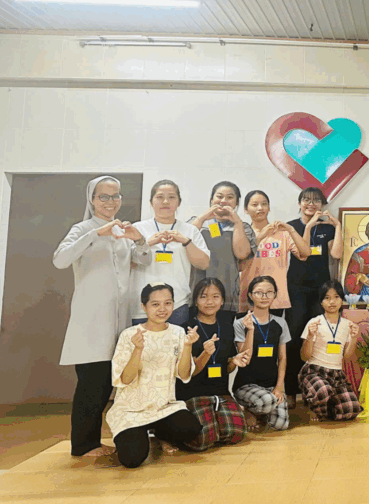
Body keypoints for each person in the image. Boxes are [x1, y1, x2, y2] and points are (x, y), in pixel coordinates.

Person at [53, 175, 150, 457]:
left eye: (115, 196)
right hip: (91, 323)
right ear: (92, 200)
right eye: (104, 196)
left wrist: (139, 239)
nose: (110, 202)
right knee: (90, 386)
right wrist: (96, 234)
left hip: (118, 322)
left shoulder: (122, 232)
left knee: (106, 385)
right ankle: (83, 445)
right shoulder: (82, 229)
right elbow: (60, 259)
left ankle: (93, 442)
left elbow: (143, 259)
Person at [107, 283, 202, 468]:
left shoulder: (178, 332)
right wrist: (138, 349)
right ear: (144, 307)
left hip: (162, 407)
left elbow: (183, 375)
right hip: (131, 410)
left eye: (168, 303)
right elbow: (125, 379)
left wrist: (188, 345)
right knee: (132, 460)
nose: (162, 309)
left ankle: (158, 434)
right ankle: (137, 434)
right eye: (155, 304)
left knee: (192, 429)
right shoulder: (129, 335)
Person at [286, 187, 343, 405]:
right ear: (300, 203)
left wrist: (337, 226)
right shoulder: (291, 226)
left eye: (316, 200)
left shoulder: (328, 229)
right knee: (294, 338)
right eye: (307, 199)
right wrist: (309, 226)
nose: (311, 203)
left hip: (321, 292)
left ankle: (318, 390)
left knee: (320, 339)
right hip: (296, 290)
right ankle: (291, 391)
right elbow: (301, 254)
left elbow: (336, 254)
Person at [177, 279, 247, 451]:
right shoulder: (186, 329)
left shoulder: (227, 327)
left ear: (222, 300)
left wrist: (234, 362)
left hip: (220, 393)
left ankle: (216, 423)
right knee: (201, 441)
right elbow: (189, 374)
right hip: (193, 394)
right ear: (195, 301)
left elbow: (227, 369)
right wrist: (205, 354)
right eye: (204, 297)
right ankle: (211, 426)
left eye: (216, 296)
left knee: (236, 433)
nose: (210, 302)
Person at [129, 180, 210, 326]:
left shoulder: (190, 230)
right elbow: (126, 263)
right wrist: (147, 243)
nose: (165, 201)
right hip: (143, 306)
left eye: (172, 197)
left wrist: (186, 242)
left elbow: (203, 263)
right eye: (159, 197)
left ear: (179, 202)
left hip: (177, 304)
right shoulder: (138, 229)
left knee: (175, 348)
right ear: (151, 202)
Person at [233, 276, 292, 432]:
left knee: (281, 424)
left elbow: (282, 358)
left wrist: (279, 387)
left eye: (269, 292)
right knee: (266, 401)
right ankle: (247, 409)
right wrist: (250, 330)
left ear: (274, 295)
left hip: (271, 386)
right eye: (259, 293)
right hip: (246, 385)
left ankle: (261, 413)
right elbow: (244, 358)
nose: (264, 297)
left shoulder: (280, 323)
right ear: (251, 295)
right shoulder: (240, 322)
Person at [299, 280, 362, 422]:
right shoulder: (314, 322)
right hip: (314, 371)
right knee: (322, 391)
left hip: (337, 374)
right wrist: (309, 336)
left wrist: (354, 338)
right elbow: (304, 356)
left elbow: (347, 356)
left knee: (351, 409)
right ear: (321, 302)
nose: (332, 302)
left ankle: (328, 405)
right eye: (327, 298)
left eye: (336, 297)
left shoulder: (347, 325)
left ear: (342, 300)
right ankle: (313, 403)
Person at [189, 182, 256, 312]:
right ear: (211, 200)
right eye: (219, 196)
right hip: (196, 289)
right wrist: (203, 217)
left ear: (236, 203)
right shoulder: (197, 222)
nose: (224, 201)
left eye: (230, 197)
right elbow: (184, 240)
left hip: (228, 292)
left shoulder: (244, 227)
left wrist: (237, 222)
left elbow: (242, 254)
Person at [238, 190, 309, 313]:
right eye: (254, 205)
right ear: (245, 209)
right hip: (249, 296)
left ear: (269, 208)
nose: (260, 208)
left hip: (275, 298)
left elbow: (306, 253)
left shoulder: (282, 233)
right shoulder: (241, 234)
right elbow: (239, 262)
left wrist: (291, 229)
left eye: (264, 204)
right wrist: (260, 236)